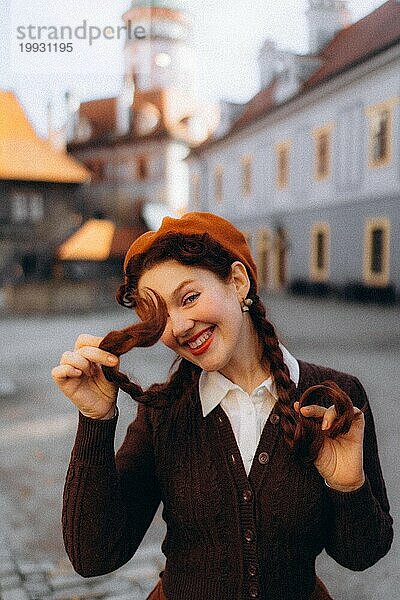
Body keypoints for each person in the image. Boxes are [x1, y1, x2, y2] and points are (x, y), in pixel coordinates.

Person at [52, 212, 393, 600]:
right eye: (159, 315)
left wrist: (348, 485)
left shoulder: (336, 398)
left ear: (237, 281)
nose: (178, 327)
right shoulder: (164, 414)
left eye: (189, 298)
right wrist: (95, 421)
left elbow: (362, 554)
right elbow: (93, 556)